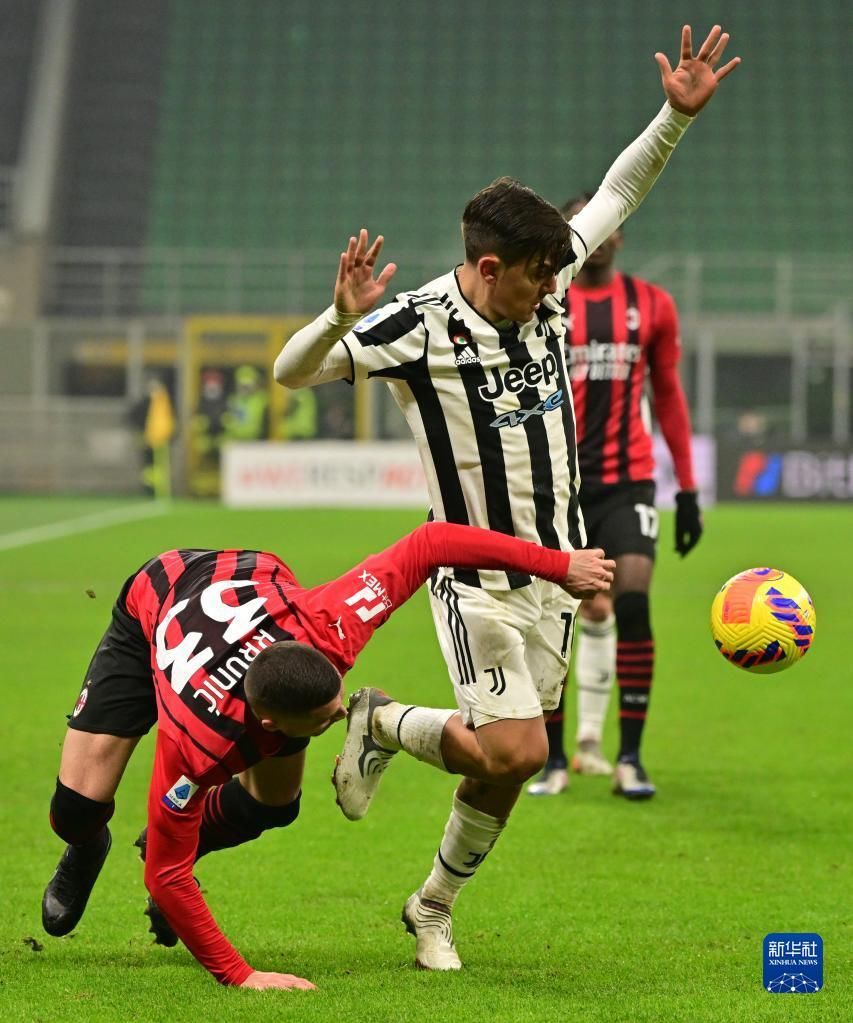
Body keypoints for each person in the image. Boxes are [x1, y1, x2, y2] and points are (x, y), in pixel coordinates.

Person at [275, 25, 738, 970]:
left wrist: (673, 118)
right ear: (489, 267)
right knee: (522, 748)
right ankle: (383, 730)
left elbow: (616, 193)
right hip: (473, 570)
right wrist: (337, 316)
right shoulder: (415, 327)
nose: (548, 288)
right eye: (533, 275)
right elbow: (289, 376)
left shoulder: (548, 272)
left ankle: (427, 892)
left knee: (505, 766)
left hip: (558, 566)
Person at [40, 522, 612, 990]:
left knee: (276, 804)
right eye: (322, 720)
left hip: (232, 588)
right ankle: (88, 845)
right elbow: (162, 876)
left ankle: (190, 840)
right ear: (269, 722)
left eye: (336, 700)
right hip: (155, 605)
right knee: (77, 808)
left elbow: (431, 542)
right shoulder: (196, 745)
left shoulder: (331, 623)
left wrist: (559, 566)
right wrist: (242, 976)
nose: (339, 716)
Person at [526, 192, 703, 802]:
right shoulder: (543, 300)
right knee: (553, 619)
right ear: (565, 235)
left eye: (609, 224)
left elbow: (671, 398)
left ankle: (629, 759)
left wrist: (688, 489)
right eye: (584, 225)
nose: (600, 235)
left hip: (628, 483)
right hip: (557, 488)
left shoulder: (652, 305)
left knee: (632, 603)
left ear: (621, 234)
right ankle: (552, 760)